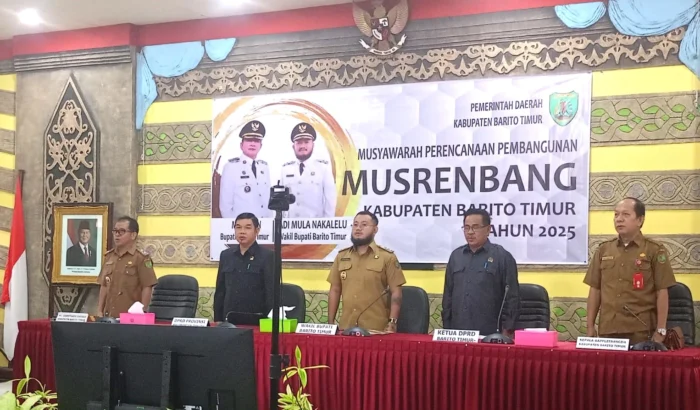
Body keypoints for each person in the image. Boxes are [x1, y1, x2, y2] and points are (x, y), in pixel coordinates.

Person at [584, 197, 676, 344]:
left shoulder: (654, 250)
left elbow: (662, 291)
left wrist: (661, 329)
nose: (619, 219)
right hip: (608, 330)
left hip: (641, 331)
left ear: (640, 220)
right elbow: (595, 289)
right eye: (616, 215)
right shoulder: (604, 249)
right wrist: (590, 326)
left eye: (625, 214)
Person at [442, 208, 520, 337]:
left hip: (490, 334)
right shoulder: (456, 256)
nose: (470, 232)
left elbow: (512, 297)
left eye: (475, 227)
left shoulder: (502, 257)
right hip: (457, 332)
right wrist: (447, 328)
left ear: (488, 229)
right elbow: (448, 295)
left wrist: (506, 332)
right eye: (466, 227)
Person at [327, 211, 405, 332]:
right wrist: (330, 323)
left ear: (375, 229)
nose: (358, 228)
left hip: (376, 329)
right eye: (355, 224)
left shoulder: (387, 257)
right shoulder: (342, 256)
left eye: (364, 225)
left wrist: (392, 322)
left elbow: (396, 292)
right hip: (346, 328)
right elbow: (335, 290)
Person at [213, 212, 274, 322]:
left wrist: (269, 323)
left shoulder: (267, 256)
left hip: (256, 320)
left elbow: (271, 294)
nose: (242, 231)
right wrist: (218, 320)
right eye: (238, 227)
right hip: (229, 320)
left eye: (247, 228)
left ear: (257, 230)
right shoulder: (226, 255)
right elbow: (220, 291)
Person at [96, 216, 157, 317]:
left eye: (121, 231)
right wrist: (99, 310)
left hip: (130, 316)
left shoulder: (141, 258)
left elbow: (147, 286)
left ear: (133, 235)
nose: (117, 235)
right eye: (115, 231)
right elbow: (104, 285)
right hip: (109, 316)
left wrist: (142, 311)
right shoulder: (109, 257)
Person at [280, 122, 337, 218]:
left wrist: (327, 224)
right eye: (299, 142)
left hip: (314, 225)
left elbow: (330, 201)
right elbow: (281, 202)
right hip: (290, 225)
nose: (303, 146)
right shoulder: (285, 169)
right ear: (293, 146)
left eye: (306, 142)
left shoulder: (323, 168)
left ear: (313, 145)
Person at [218, 120, 272, 218]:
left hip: (264, 224)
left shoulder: (264, 167)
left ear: (261, 145)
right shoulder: (231, 167)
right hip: (242, 225)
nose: (252, 144)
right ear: (241, 145)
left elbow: (267, 202)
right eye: (249, 140)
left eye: (256, 140)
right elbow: (225, 206)